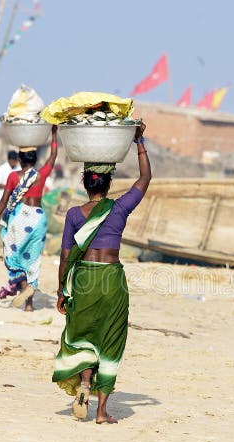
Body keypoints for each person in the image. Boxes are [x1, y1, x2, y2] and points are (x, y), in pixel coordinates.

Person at [52, 123, 150, 424]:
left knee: (82, 335)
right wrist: (139, 141)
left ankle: (84, 383)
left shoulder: (72, 215)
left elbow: (66, 255)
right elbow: (145, 178)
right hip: (110, 279)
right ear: (108, 185)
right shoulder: (118, 209)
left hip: (83, 280)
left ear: (86, 185)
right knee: (110, 338)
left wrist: (61, 290)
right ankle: (102, 411)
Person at [0, 126, 58, 311]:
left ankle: (23, 289)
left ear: (19, 160)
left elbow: (4, 201)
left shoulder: (13, 176)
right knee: (32, 259)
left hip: (19, 220)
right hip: (37, 219)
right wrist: (54, 133)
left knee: (15, 258)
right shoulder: (41, 175)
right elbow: (53, 157)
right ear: (35, 160)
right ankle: (29, 304)